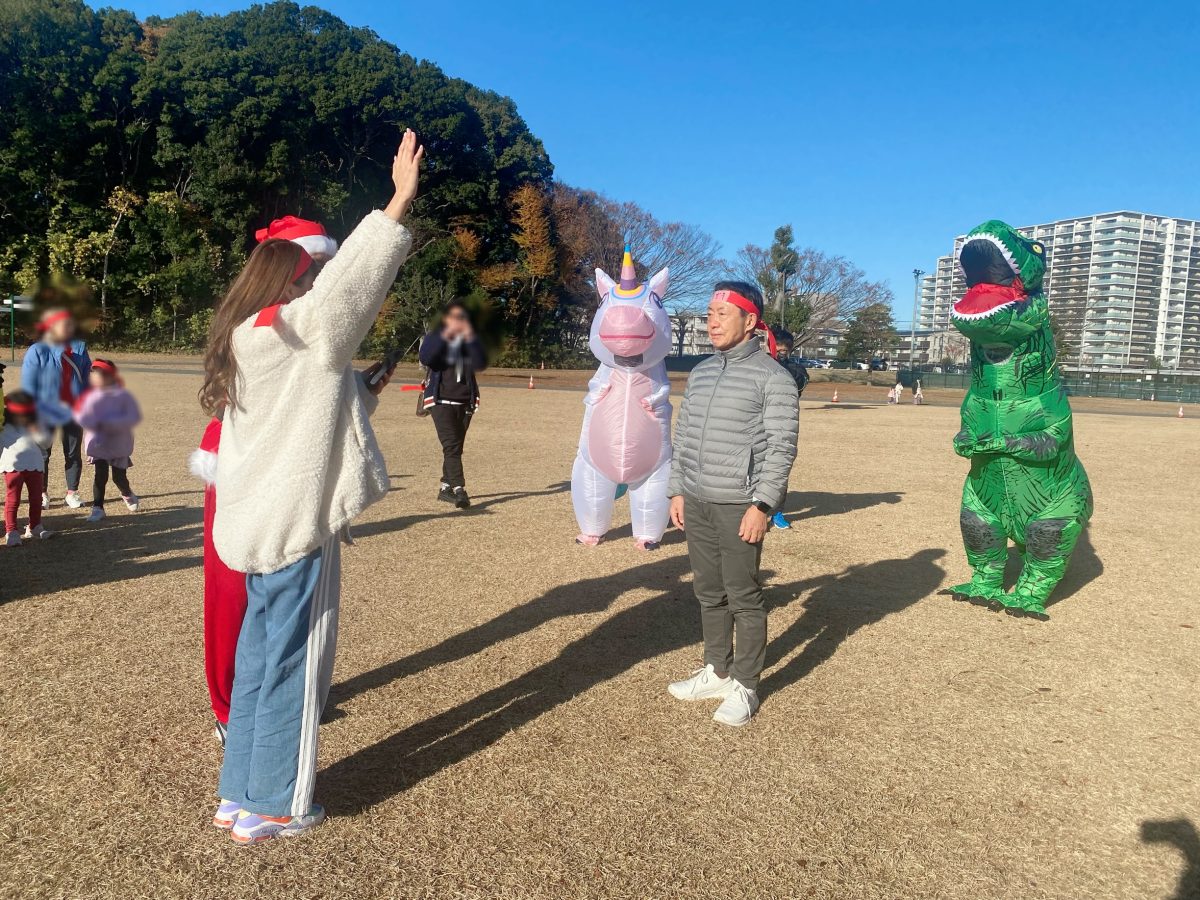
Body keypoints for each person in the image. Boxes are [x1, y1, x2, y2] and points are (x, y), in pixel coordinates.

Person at [202, 129, 422, 844]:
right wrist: (397, 201)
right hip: (296, 523)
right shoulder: (306, 328)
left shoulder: (244, 337)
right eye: (308, 276)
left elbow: (309, 395)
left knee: (259, 659)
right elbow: (350, 288)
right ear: (294, 281)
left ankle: (238, 793)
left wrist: (358, 392)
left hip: (250, 521)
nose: (315, 285)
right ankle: (276, 805)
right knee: (294, 667)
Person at [193, 215, 338, 747]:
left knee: (281, 591)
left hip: (281, 468)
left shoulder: (300, 321)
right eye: (312, 269)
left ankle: (272, 690)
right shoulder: (260, 328)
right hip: (240, 466)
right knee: (233, 590)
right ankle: (227, 702)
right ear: (281, 275)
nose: (322, 280)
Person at [666, 281, 799, 727]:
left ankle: (745, 684)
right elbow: (683, 436)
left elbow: (781, 448)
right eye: (709, 312)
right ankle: (717, 669)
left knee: (743, 594)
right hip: (698, 500)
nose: (713, 320)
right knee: (708, 591)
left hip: (740, 504)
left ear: (750, 321)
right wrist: (677, 489)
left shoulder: (772, 378)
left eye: (724, 312)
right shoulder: (701, 372)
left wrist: (763, 505)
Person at [20, 308, 91, 510]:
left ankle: (72, 492)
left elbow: (87, 379)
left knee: (73, 453)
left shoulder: (79, 348)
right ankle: (42, 493)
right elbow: (29, 383)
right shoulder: (37, 350)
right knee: (42, 453)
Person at [419, 300, 487, 510]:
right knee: (451, 447)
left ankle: (445, 487)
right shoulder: (436, 335)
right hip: (440, 400)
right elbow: (426, 357)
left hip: (465, 400)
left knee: (455, 447)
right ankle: (459, 490)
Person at [74, 359, 141, 523]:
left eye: (98, 374)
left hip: (118, 442)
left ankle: (126, 493)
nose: (94, 377)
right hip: (99, 443)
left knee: (118, 477)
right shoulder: (89, 396)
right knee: (100, 475)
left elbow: (133, 416)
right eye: (92, 373)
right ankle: (98, 508)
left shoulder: (122, 396)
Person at [1, 390, 53, 545]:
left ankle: (35, 525)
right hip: (12, 467)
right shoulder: (3, 428)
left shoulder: (34, 425)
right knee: (13, 500)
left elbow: (46, 443)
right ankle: (11, 531)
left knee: (36, 498)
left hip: (35, 465)